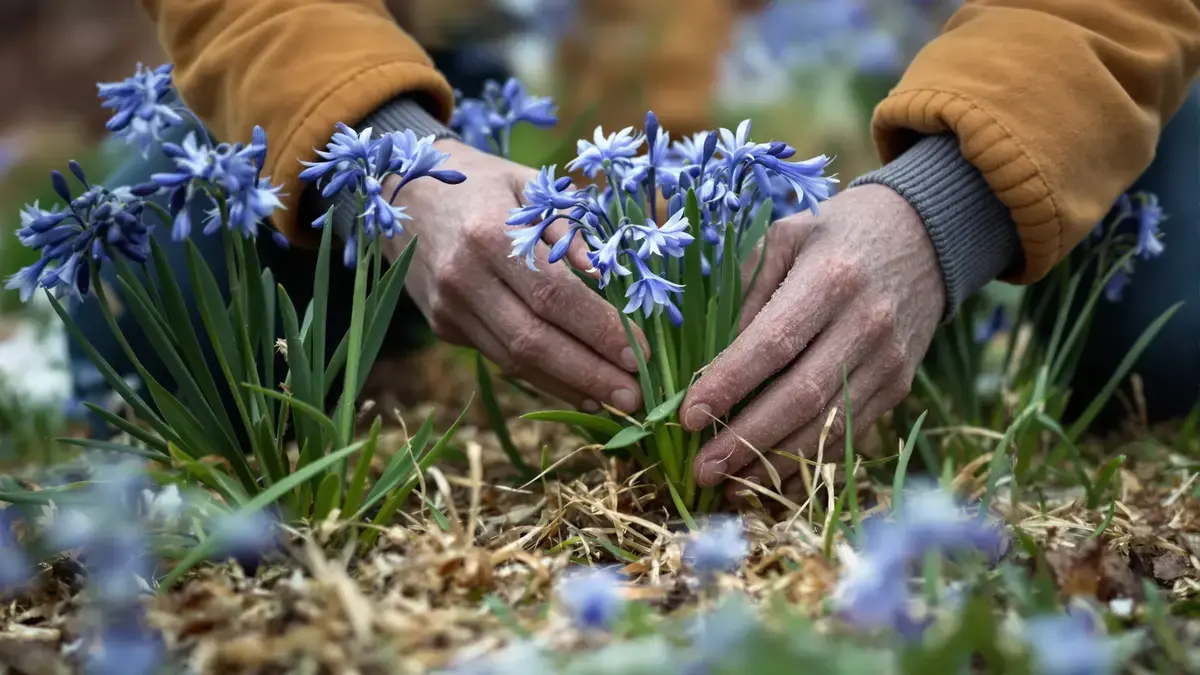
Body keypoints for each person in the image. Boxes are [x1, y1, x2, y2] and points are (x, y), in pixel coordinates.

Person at [79, 0, 1200, 503]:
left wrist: (945, 202)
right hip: (479, 75)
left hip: (947, 65)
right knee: (145, 259)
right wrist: (389, 151)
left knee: (1172, 328)